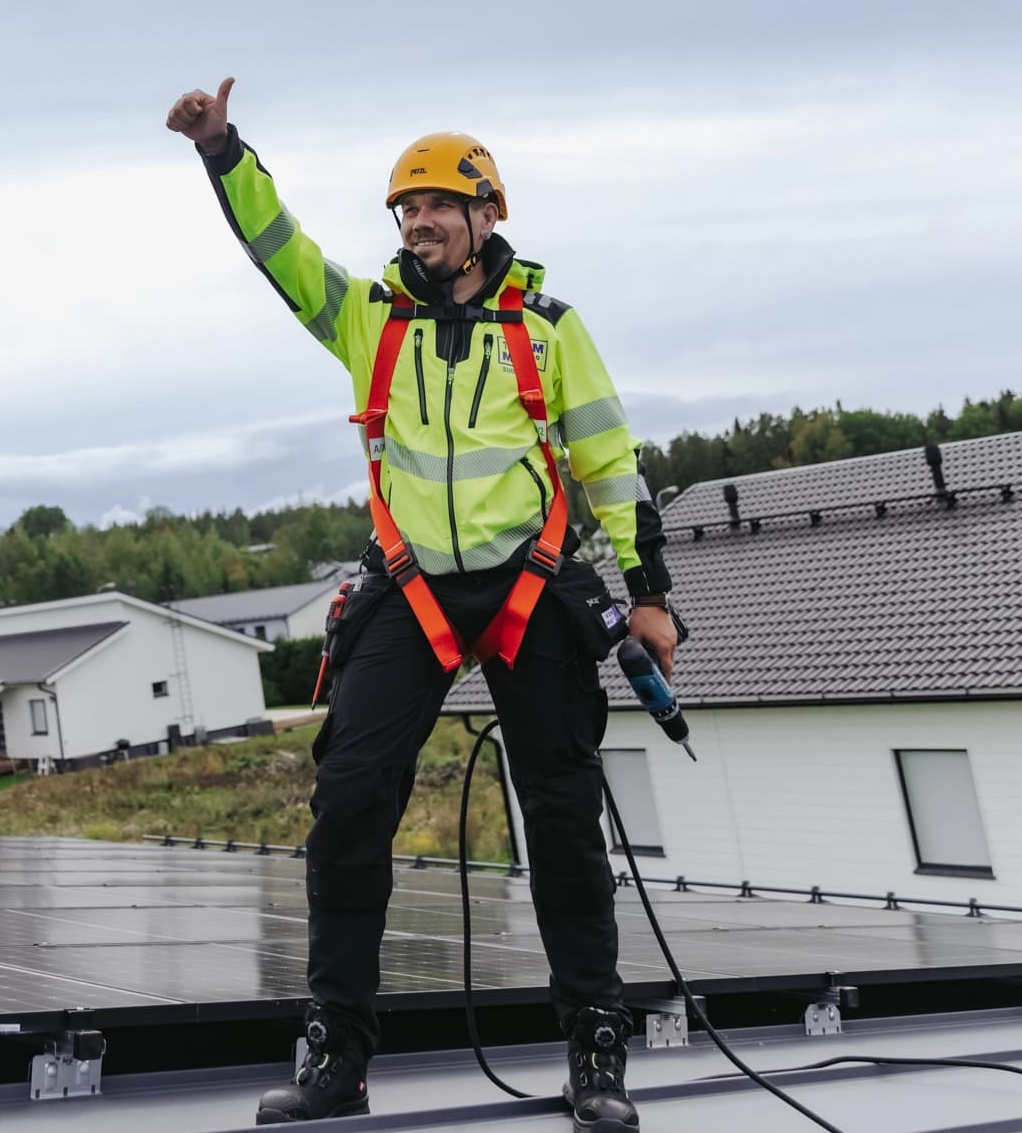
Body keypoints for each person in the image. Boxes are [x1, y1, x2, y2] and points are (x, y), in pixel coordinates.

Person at [166, 78, 682, 1130]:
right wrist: (223, 150)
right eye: (404, 209)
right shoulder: (367, 317)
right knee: (350, 802)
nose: (418, 222)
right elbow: (282, 251)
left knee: (564, 814)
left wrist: (649, 593)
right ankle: (335, 1054)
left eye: (437, 203)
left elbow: (611, 459)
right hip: (409, 583)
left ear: (488, 214)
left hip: (530, 578)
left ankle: (594, 1043)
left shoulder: (547, 325)